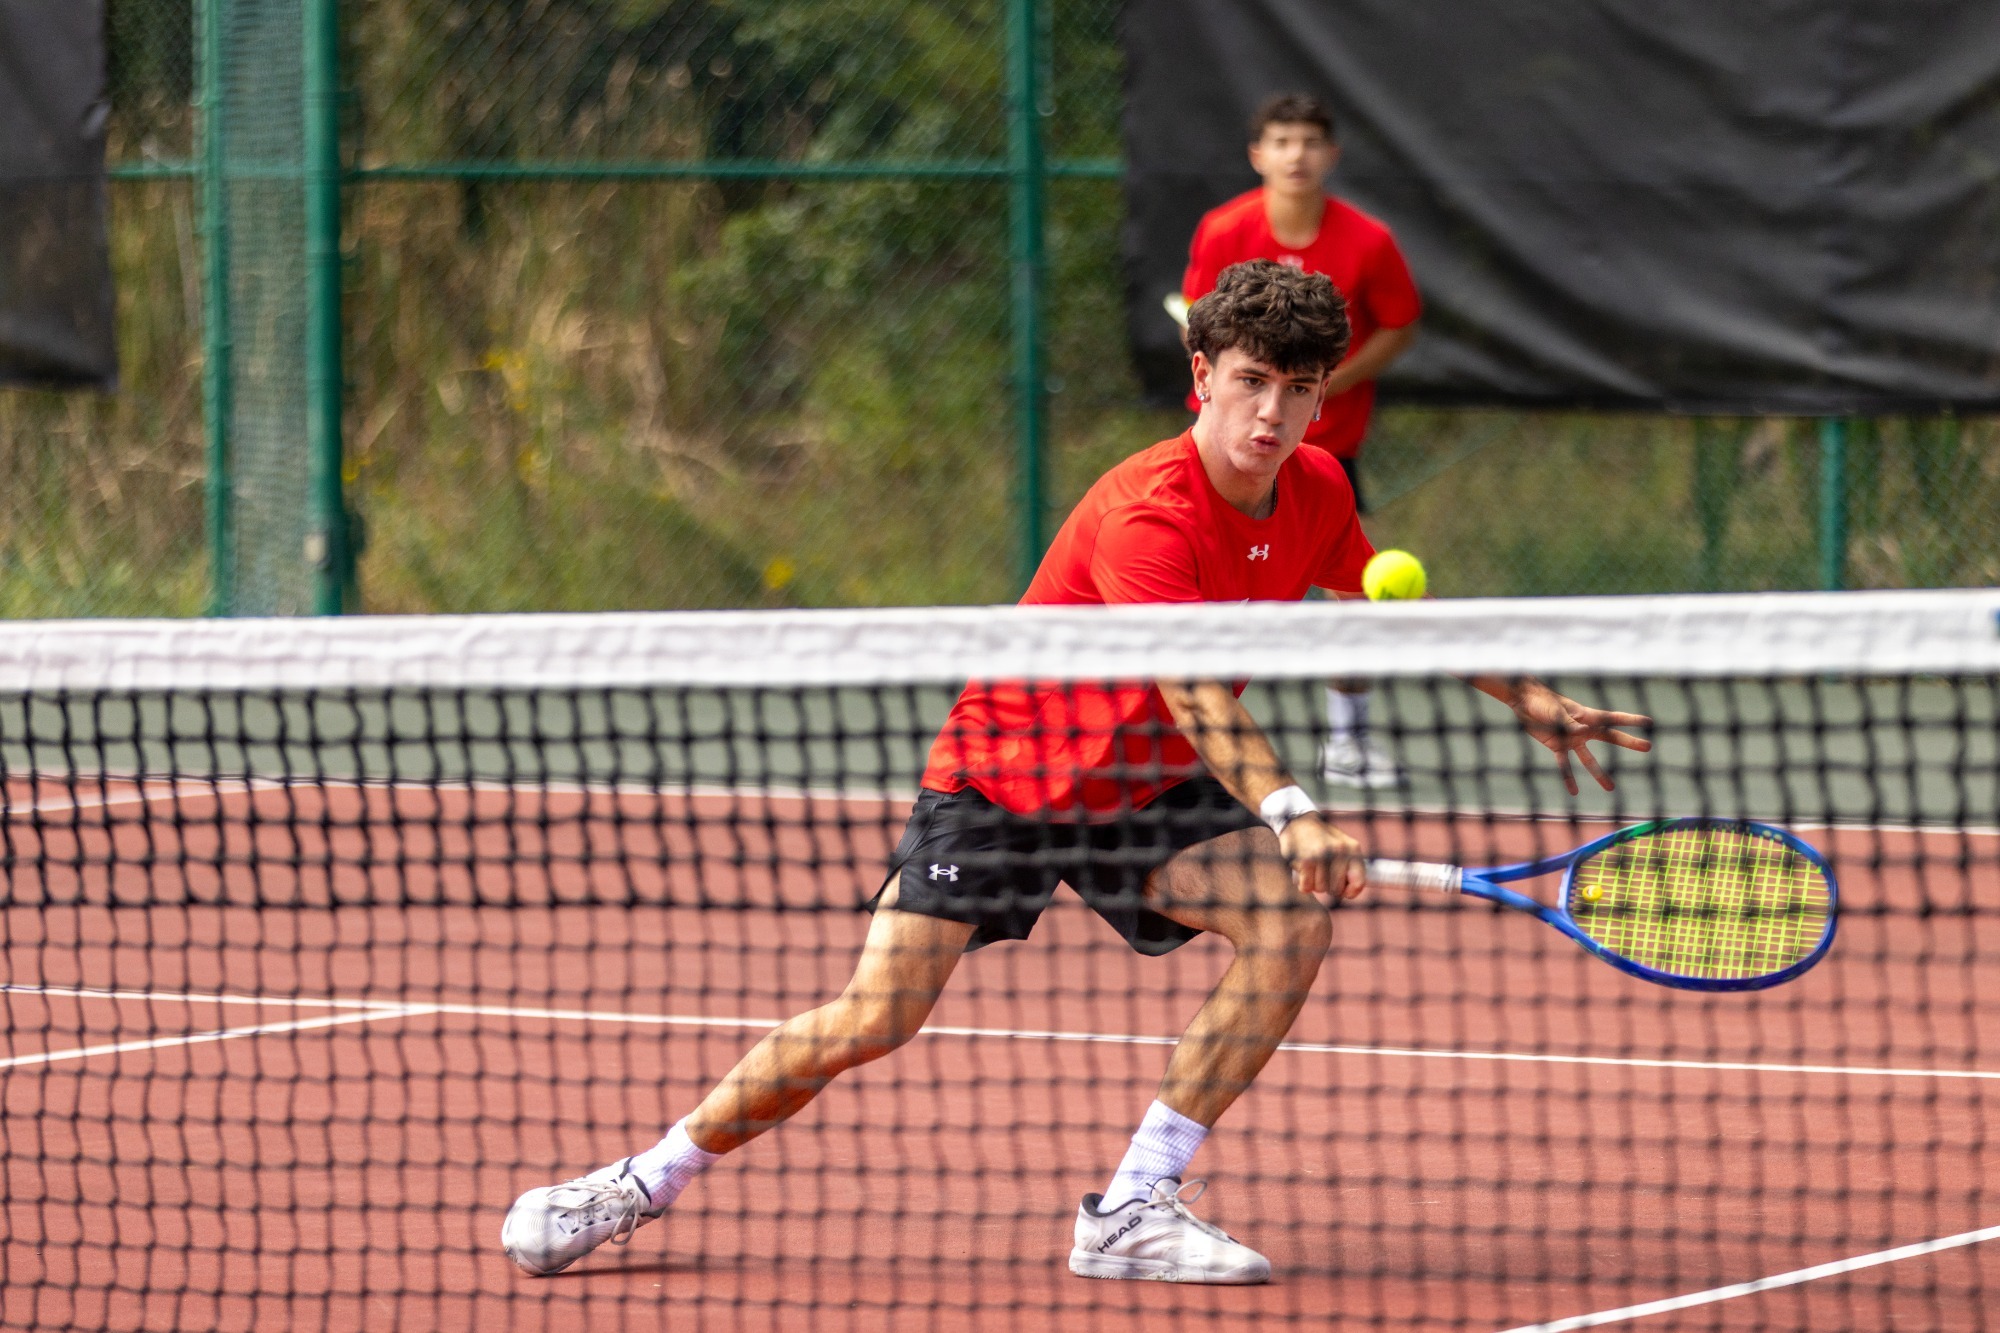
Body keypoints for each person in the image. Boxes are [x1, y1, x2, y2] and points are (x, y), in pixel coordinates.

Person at [500, 262, 1648, 1285]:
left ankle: (1133, 1208)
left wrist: (1528, 695)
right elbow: (1191, 686)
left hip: (1142, 792)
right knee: (875, 1016)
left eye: (1300, 388)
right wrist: (1291, 809)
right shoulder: (1146, 513)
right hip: (1006, 780)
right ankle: (640, 1181)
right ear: (1200, 373)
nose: (1273, 411)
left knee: (1291, 928)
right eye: (1250, 379)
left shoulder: (1317, 492)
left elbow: (1387, 611)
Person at [1181, 93, 1421, 790]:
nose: (1296, 154)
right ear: (1259, 154)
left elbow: (1400, 323)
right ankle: (1187, 727)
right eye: (1281, 140)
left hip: (1330, 452)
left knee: (1357, 594)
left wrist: (1332, 382)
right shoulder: (1223, 230)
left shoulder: (1368, 240)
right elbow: (1199, 325)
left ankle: (1347, 741)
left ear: (1331, 155)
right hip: (1227, 454)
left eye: (1311, 140)